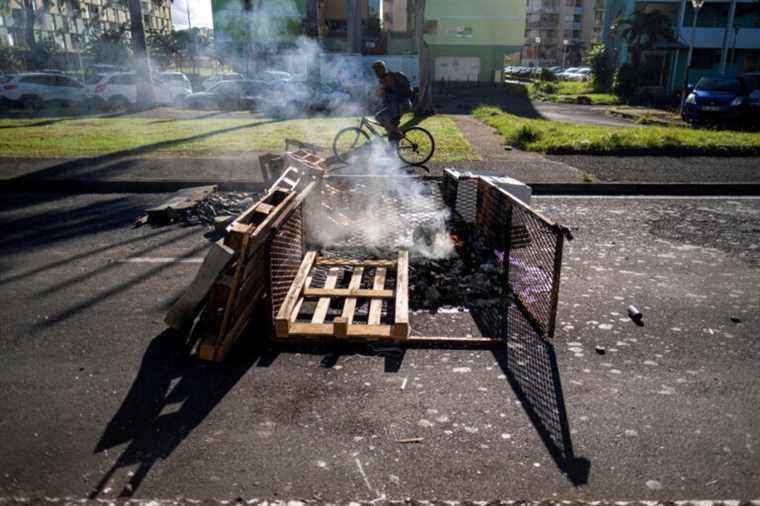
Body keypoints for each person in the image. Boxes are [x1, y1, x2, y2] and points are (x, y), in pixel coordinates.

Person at [371, 60, 413, 142]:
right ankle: (393, 147)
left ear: (381, 69)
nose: (376, 73)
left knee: (379, 117)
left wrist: (381, 88)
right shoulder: (389, 77)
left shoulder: (387, 78)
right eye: (375, 71)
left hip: (399, 105)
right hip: (401, 105)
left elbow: (381, 93)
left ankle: (398, 133)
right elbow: (384, 96)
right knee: (390, 126)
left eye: (376, 70)